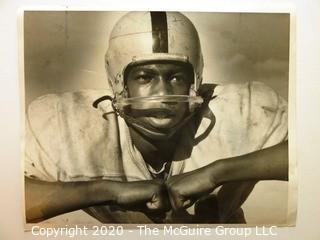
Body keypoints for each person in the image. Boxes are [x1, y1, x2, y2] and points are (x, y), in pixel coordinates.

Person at [25, 11, 288, 224]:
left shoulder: (241, 109)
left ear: (195, 80)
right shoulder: (67, 122)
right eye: (144, 77)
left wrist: (217, 173)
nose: (162, 94)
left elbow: (311, 155)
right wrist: (106, 191)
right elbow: (11, 198)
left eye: (176, 77)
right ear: (119, 82)